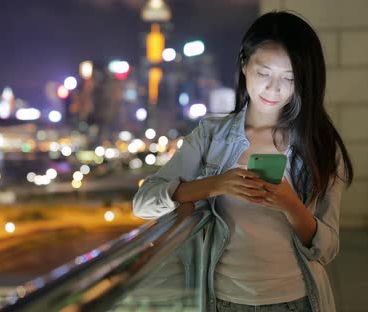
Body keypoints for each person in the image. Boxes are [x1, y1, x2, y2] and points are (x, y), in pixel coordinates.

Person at [132, 11, 353, 312]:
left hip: (297, 300)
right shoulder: (211, 136)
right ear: (244, 65)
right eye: (264, 73)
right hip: (222, 300)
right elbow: (143, 203)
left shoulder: (321, 147)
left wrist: (291, 205)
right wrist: (215, 184)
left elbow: (327, 249)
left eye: (289, 78)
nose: (274, 89)